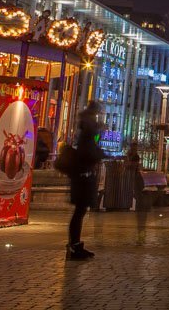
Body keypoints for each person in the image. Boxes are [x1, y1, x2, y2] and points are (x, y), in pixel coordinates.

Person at [67, 101, 104, 261]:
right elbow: (89, 154)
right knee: (79, 212)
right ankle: (74, 247)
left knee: (80, 212)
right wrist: (101, 154)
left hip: (82, 176)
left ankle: (75, 245)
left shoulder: (86, 133)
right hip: (82, 177)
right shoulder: (87, 134)